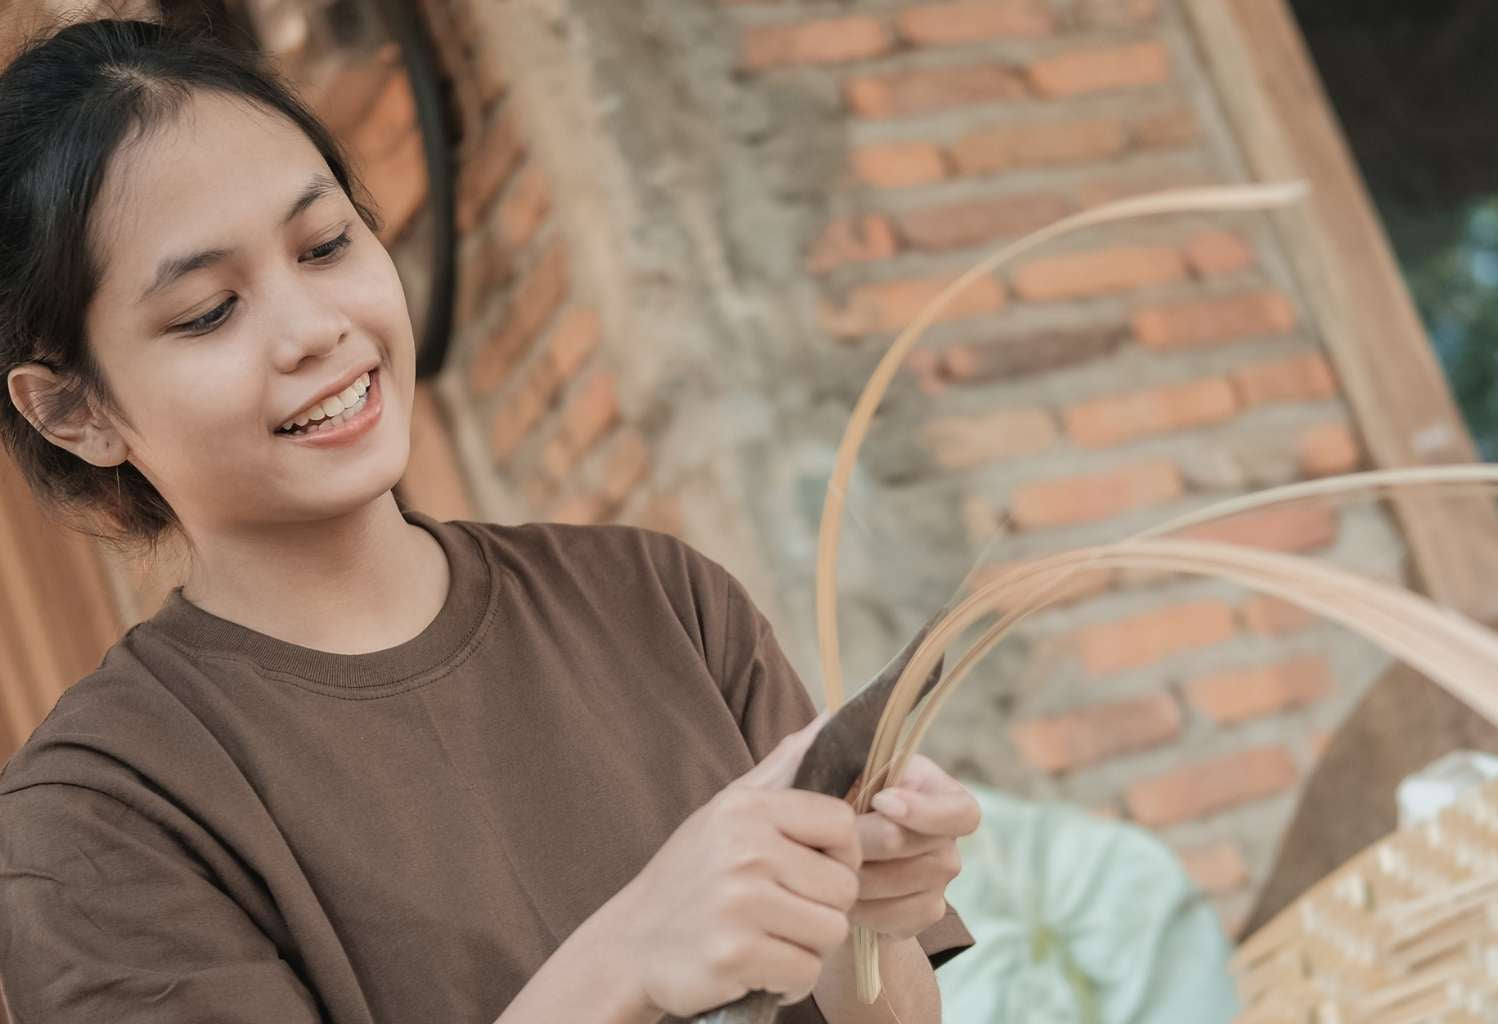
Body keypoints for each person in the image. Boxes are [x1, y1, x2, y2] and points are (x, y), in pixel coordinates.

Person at [0, 17, 977, 1024]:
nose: (316, 329)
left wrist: (864, 913)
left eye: (327, 245)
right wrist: (631, 955)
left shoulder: (659, 598)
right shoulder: (98, 818)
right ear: (75, 411)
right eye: (209, 310)